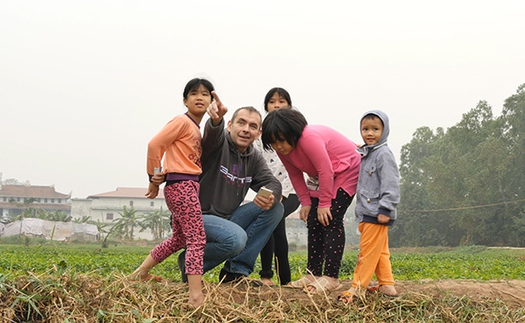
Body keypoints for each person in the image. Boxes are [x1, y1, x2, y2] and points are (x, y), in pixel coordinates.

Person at [177, 96, 284, 284]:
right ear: (229, 125)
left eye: (252, 126)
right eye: (241, 123)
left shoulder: (254, 157)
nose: (245, 129)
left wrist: (270, 195)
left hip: (227, 219)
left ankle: (235, 272)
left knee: (276, 208)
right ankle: (191, 264)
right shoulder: (217, 145)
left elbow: (273, 183)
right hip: (195, 217)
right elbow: (211, 136)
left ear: (258, 133)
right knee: (236, 238)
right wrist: (215, 121)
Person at [130, 78, 214, 308]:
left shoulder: (195, 127)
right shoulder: (181, 122)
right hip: (183, 185)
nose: (199, 97)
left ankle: (141, 272)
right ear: (185, 100)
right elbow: (154, 145)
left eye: (205, 94)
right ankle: (195, 295)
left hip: (185, 186)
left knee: (180, 239)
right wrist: (153, 179)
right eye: (194, 93)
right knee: (197, 239)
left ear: (212, 100)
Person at [261, 108, 361, 294]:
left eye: (281, 140)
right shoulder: (284, 149)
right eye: (273, 143)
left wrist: (324, 204)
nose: (279, 146)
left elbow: (325, 170)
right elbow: (295, 174)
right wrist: (305, 202)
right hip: (324, 176)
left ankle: (331, 277)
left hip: (346, 169)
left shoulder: (308, 138)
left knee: (331, 218)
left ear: (293, 132)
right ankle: (312, 274)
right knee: (314, 221)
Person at [337, 110, 400, 303]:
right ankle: (387, 285)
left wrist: (386, 208)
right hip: (367, 212)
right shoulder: (368, 153)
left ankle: (357, 289)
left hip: (377, 212)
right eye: (365, 129)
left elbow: (391, 183)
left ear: (385, 130)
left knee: (367, 253)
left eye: (375, 129)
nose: (369, 133)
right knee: (380, 251)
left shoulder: (383, 155)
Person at [254, 87, 300, 286]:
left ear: (289, 105)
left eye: (281, 101)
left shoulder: (297, 131)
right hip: (270, 190)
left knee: (273, 221)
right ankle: (279, 279)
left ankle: (271, 276)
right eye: (272, 102)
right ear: (266, 106)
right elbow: (255, 165)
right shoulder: (260, 136)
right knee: (272, 224)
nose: (277, 105)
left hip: (294, 190)